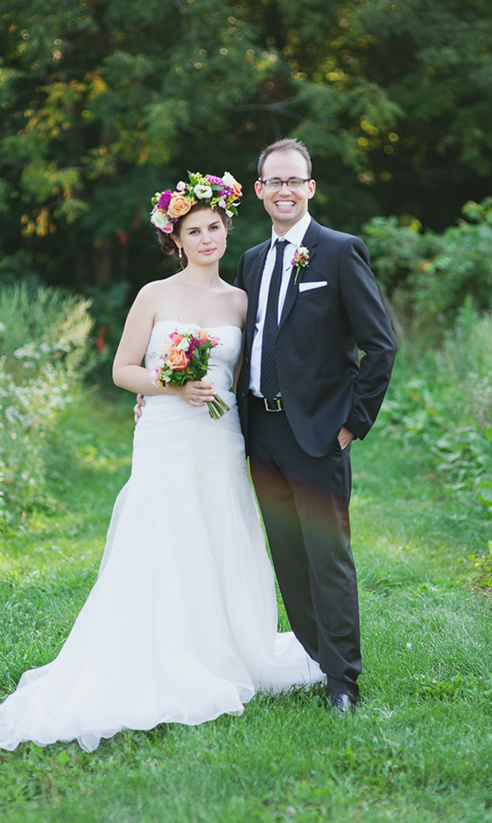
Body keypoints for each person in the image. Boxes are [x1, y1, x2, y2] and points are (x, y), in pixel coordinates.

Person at [0, 171, 325, 753]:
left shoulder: (241, 300)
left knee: (219, 531)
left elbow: (245, 379)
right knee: (164, 532)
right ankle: (161, 650)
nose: (208, 238)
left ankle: (225, 646)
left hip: (221, 439)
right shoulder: (154, 294)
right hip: (168, 431)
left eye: (215, 227)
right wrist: (169, 386)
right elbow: (122, 370)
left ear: (226, 229)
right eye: (195, 230)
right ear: (178, 238)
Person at [235, 138, 397, 714]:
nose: (283, 190)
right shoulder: (251, 260)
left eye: (293, 181)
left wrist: (354, 422)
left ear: (310, 187)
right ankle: (314, 654)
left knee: (327, 556)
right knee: (289, 556)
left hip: (319, 433)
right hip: (262, 434)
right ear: (259, 191)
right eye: (272, 181)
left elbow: (380, 346)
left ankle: (344, 682)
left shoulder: (338, 251)